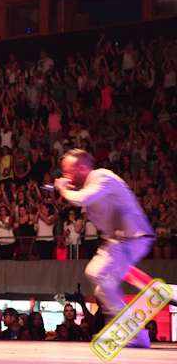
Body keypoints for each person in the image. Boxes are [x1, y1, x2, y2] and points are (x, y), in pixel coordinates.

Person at [55, 148, 154, 348]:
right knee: (102, 288)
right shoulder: (90, 185)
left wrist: (63, 189)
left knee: (96, 272)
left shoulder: (102, 177)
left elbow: (83, 199)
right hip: (120, 240)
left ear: (83, 167)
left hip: (134, 238)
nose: (66, 176)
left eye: (68, 171)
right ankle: (130, 332)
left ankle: (131, 333)